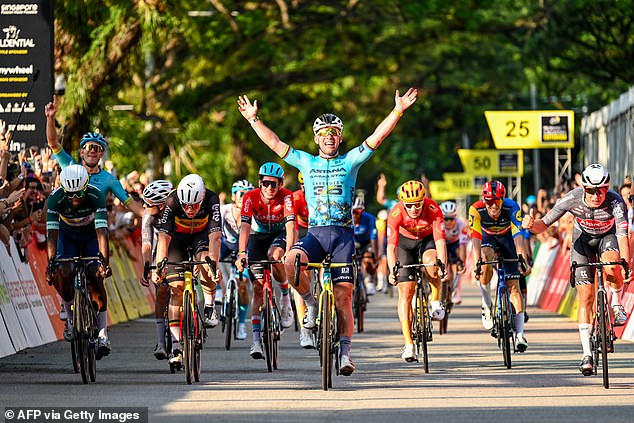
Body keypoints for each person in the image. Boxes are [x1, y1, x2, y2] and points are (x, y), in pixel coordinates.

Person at [237, 87, 418, 375]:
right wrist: (253, 120)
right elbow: (275, 143)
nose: (329, 137)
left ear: (340, 137)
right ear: (316, 138)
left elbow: (377, 138)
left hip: (344, 237)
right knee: (289, 262)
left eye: (334, 132)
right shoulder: (306, 162)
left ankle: (345, 354)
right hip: (316, 234)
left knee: (344, 298)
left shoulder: (350, 161)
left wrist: (397, 110)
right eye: (324, 133)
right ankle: (309, 304)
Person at [522, 164, 631, 375]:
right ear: (584, 188)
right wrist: (530, 224)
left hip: (607, 238)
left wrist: (624, 262)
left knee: (612, 264)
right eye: (591, 190)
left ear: (607, 188)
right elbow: (544, 224)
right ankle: (586, 354)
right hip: (582, 242)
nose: (597, 195)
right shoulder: (572, 198)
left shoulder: (616, 201)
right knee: (586, 299)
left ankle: (616, 303)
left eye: (602, 190)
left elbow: (622, 235)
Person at [151, 174, 223, 366]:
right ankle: (176, 345)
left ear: (203, 196)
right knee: (176, 289)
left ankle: (209, 306)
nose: (190, 209)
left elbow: (215, 237)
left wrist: (214, 265)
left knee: (207, 264)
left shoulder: (211, 199)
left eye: (195, 205)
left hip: (201, 236)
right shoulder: (172, 200)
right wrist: (160, 266)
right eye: (186, 205)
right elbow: (164, 238)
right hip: (177, 240)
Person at [45, 165, 112, 358]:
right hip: (67, 236)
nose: (75, 199)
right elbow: (52, 234)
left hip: (91, 235)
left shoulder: (95, 195)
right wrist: (51, 264)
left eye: (79, 194)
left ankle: (102, 334)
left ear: (86, 186)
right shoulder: (55, 198)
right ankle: (72, 320)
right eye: (71, 195)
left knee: (95, 275)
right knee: (64, 272)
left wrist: (104, 263)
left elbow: (102, 233)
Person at [234, 163, 297, 359]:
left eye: (274, 184)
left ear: (281, 184)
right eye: (266, 183)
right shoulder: (249, 197)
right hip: (257, 237)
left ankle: (286, 297)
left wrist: (289, 252)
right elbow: (244, 226)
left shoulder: (287, 196)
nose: (270, 188)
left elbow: (291, 227)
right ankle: (255, 340)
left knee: (275, 256)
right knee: (258, 289)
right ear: (260, 183)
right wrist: (241, 253)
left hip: (279, 235)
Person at [386, 181, 447, 362]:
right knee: (406, 292)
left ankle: (435, 300)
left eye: (417, 204)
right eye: (409, 205)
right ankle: (409, 344)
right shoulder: (395, 213)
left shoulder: (433, 209)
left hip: (427, 241)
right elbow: (391, 247)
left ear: (423, 201)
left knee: (432, 264)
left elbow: (441, 242)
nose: (413, 208)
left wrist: (442, 265)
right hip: (405, 245)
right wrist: (392, 270)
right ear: (403, 203)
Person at [469, 180, 531, 352]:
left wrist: (522, 259)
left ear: (503, 199)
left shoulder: (511, 207)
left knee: (514, 288)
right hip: (487, 239)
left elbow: (518, 235)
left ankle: (519, 335)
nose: (493, 205)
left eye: (497, 201)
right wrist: (477, 263)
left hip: (508, 240)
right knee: (485, 259)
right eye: (489, 201)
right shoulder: (476, 209)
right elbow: (475, 238)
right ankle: (486, 303)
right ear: (484, 200)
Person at [139, 179, 174, 360]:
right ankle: (161, 341)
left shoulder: (176, 212)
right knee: (161, 291)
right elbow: (146, 243)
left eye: (148, 203)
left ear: (161, 205)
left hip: (178, 249)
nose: (144, 206)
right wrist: (147, 266)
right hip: (159, 251)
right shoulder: (148, 215)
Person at [219, 179, 254, 341]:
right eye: (240, 194)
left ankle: (241, 325)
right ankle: (219, 291)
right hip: (226, 245)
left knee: (243, 285)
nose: (243, 197)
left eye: (247, 195)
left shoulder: (253, 213)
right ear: (233, 196)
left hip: (243, 248)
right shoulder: (223, 210)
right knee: (210, 258)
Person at [292, 172, 316, 349]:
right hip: (301, 231)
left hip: (321, 230)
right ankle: (304, 330)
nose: (306, 189)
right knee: (302, 272)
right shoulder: (296, 198)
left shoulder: (326, 194)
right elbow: (290, 227)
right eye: (303, 185)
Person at [439, 201, 467, 304]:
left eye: (452, 218)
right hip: (443, 244)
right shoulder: (439, 224)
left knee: (459, 265)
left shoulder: (461, 225)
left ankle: (457, 292)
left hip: (455, 244)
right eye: (446, 218)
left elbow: (463, 244)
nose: (449, 222)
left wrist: (462, 263)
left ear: (456, 217)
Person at [352, 195, 379, 295]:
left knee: (368, 259)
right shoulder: (346, 219)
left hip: (366, 242)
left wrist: (375, 256)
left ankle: (370, 280)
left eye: (357, 212)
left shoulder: (369, 218)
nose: (355, 215)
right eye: (352, 212)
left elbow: (373, 238)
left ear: (362, 211)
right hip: (352, 241)